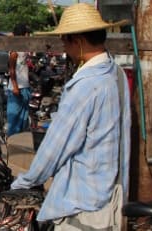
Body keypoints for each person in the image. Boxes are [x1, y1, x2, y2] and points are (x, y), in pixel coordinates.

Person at [9, 3, 131, 230]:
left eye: (65, 40)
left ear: (79, 41)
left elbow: (56, 146)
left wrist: (24, 182)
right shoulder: (117, 74)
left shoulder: (87, 85)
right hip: (110, 192)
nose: (64, 46)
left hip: (83, 201)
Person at [6, 23, 32, 136]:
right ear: (24, 34)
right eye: (27, 33)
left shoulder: (24, 48)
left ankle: (18, 139)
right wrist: (15, 87)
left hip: (25, 86)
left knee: (23, 117)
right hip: (17, 88)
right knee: (14, 117)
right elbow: (11, 70)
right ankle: (11, 140)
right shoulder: (14, 51)